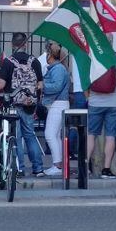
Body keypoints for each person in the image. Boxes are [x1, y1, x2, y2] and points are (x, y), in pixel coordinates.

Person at [0, 32, 46, 178]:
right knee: (30, 135)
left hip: (13, 104)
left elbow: (1, 85)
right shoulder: (34, 61)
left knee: (16, 136)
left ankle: (19, 168)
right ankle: (38, 169)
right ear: (26, 44)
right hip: (29, 104)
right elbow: (40, 85)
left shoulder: (8, 62)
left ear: (13, 44)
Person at [85, 44, 116, 180]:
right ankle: (106, 169)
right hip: (114, 103)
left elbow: (85, 79)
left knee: (91, 134)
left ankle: (85, 166)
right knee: (111, 136)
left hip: (95, 101)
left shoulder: (92, 55)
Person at [41, 43, 70, 176]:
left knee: (50, 135)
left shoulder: (58, 69)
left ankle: (57, 165)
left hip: (57, 104)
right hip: (58, 103)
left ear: (50, 55)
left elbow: (56, 87)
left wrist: (42, 85)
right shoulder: (58, 68)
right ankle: (58, 164)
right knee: (56, 135)